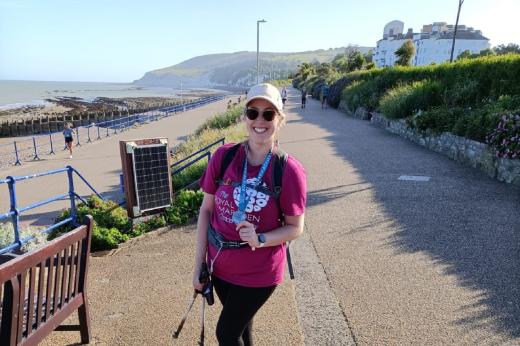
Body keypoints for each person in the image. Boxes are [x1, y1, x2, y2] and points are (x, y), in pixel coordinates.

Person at [194, 83, 307, 345]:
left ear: (280, 120)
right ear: (244, 116)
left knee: (226, 333)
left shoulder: (288, 170)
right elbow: (206, 211)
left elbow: (295, 227)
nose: (259, 120)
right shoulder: (224, 157)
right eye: (253, 112)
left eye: (268, 114)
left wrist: (261, 238)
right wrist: (199, 265)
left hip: (259, 273)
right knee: (242, 332)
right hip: (220, 266)